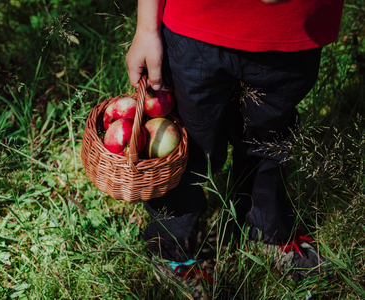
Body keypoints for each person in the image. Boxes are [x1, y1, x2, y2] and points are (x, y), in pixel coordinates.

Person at [126, 0, 344, 283]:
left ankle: (267, 230)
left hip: (292, 33)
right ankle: (173, 247)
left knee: (270, 141)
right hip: (197, 26)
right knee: (187, 147)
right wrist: (146, 27)